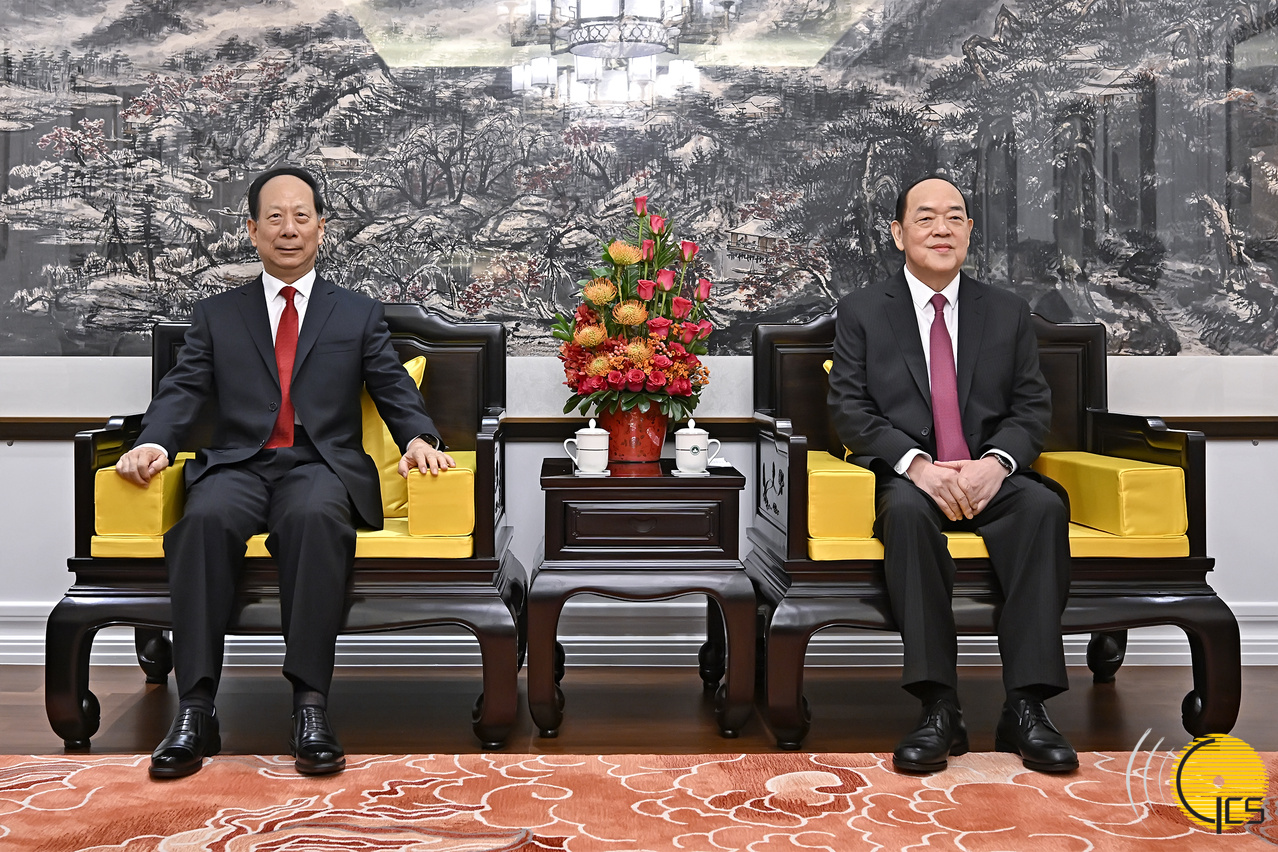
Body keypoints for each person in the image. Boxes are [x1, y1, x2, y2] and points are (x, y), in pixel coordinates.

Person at [114, 166, 455, 779]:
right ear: (252, 230)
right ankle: (195, 709)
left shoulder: (356, 313)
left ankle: (310, 705)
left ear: (322, 227)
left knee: (315, 517)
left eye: (302, 216)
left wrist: (419, 438)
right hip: (239, 465)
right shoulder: (218, 314)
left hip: (319, 466)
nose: (288, 229)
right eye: (274, 217)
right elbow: (182, 390)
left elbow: (392, 387)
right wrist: (153, 443)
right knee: (203, 521)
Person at [827, 175, 1077, 774]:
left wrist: (996, 464)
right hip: (910, 477)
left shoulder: (1007, 311)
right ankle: (939, 707)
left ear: (969, 230)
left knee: (1043, 507)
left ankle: (1027, 707)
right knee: (906, 516)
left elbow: (1031, 407)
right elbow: (850, 408)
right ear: (898, 233)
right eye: (926, 218)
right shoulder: (864, 311)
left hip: (988, 474)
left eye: (955, 217)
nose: (942, 229)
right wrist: (917, 467)